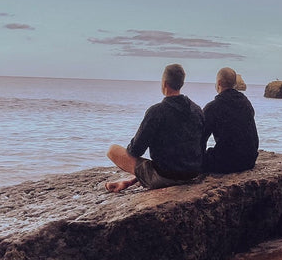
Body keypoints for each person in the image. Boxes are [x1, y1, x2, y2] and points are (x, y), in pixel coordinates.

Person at [105, 63, 204, 193]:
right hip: (192, 173)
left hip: (166, 177)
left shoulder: (157, 111)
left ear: (164, 83)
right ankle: (130, 181)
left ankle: (139, 179)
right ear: (181, 84)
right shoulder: (197, 110)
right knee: (167, 156)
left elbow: (136, 151)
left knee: (113, 150)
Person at [202, 67, 259, 173]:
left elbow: (201, 137)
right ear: (234, 84)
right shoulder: (245, 102)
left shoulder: (213, 107)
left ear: (218, 83)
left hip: (228, 163)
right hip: (249, 160)